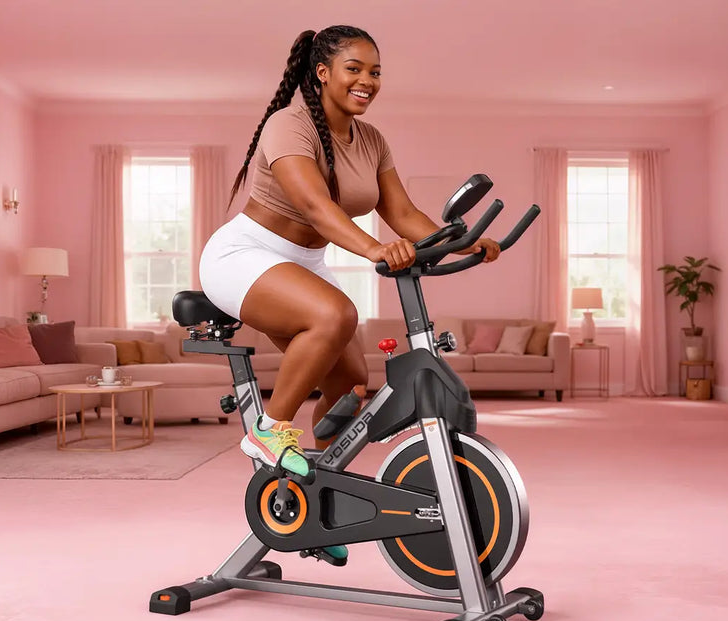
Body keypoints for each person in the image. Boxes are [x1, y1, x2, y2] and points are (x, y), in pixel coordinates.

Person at [198, 25, 502, 559]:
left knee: (350, 390)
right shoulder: (287, 125)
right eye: (354, 69)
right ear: (322, 73)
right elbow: (316, 206)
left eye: (375, 72)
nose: (367, 81)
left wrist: (461, 243)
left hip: (304, 260)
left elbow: (402, 214)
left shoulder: (371, 140)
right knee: (335, 313)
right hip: (245, 254)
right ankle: (270, 430)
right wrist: (373, 250)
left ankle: (315, 505)